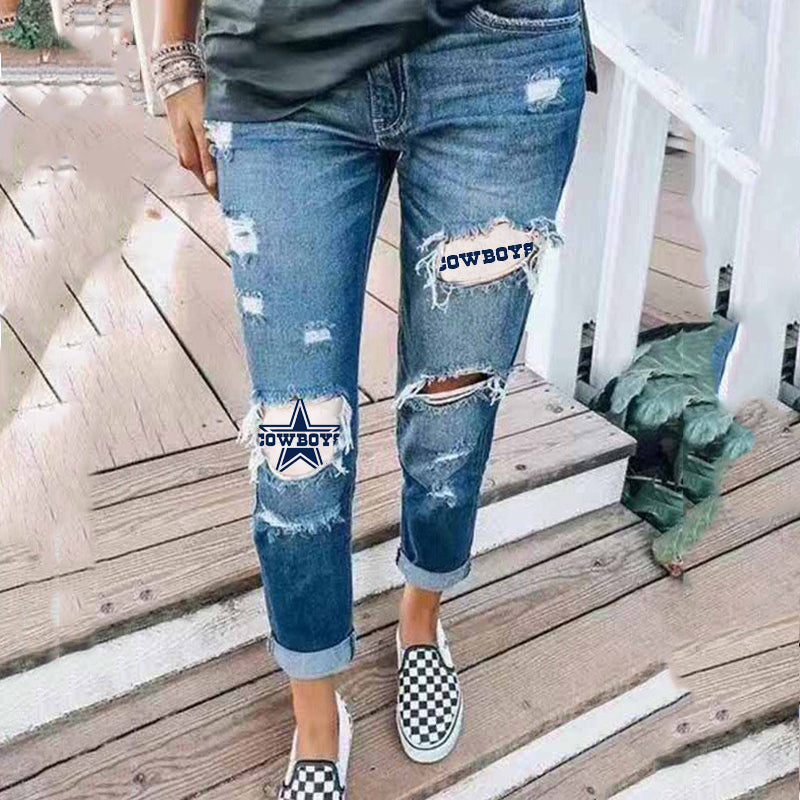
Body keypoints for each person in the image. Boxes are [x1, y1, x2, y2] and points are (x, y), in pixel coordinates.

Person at [152, 0, 596, 796]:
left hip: (497, 55)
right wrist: (172, 51)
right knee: (297, 447)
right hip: (278, 57)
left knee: (456, 409)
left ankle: (420, 620)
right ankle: (317, 715)